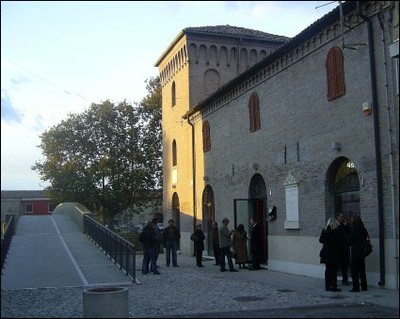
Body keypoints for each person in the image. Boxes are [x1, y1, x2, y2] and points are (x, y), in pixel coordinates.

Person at [319, 218, 341, 291]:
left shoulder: (324, 230)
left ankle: (327, 286)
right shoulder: (336, 231)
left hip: (326, 252)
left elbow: (320, 240)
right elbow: (340, 241)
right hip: (334, 253)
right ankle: (334, 286)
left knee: (327, 270)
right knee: (334, 270)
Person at [348, 215, 369, 292]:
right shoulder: (363, 229)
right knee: (362, 271)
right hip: (362, 252)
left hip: (355, 252)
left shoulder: (353, 230)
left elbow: (349, 240)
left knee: (354, 271)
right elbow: (366, 237)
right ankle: (364, 287)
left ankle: (356, 287)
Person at [336, 212, 350, 285]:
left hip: (344, 249)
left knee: (344, 265)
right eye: (341, 217)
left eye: (343, 217)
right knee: (335, 266)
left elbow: (347, 233)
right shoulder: (335, 226)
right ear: (337, 217)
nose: (342, 218)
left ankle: (345, 280)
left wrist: (346, 225)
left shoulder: (343, 225)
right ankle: (333, 281)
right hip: (337, 249)